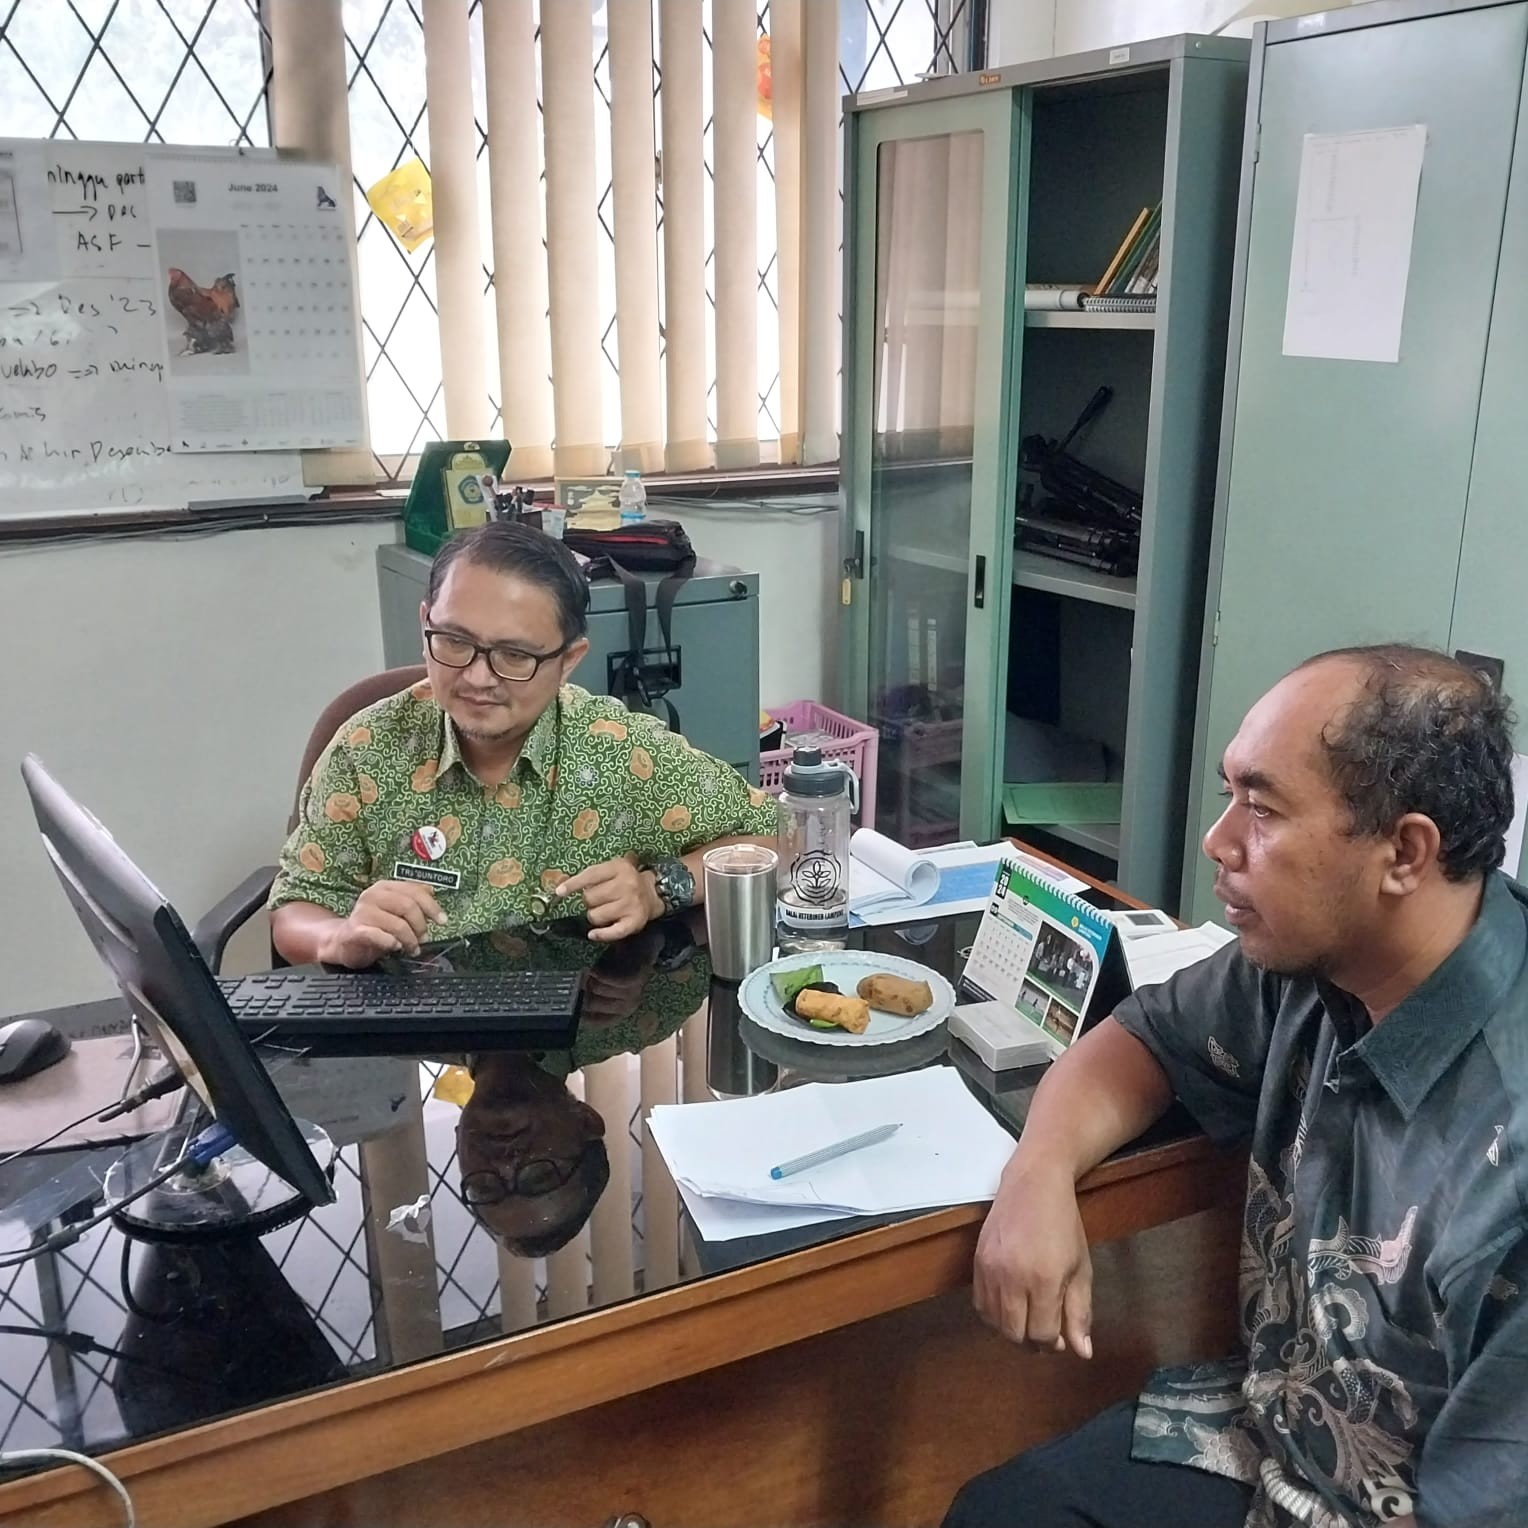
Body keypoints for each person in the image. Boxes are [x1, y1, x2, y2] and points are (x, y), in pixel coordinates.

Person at [947, 645, 1528, 1528]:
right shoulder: (1319, 957)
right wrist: (1039, 1172)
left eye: (1262, 807)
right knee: (998, 1513)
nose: (1219, 841)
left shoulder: (1508, 1157)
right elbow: (1138, 1042)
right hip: (1274, 1430)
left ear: (1405, 851)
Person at [269, 521, 777, 967]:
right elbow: (295, 907)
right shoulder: (367, 748)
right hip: (411, 1044)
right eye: (453, 641)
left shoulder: (620, 752)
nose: (476, 677)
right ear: (426, 620)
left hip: (573, 1036)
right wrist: (337, 936)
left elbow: (780, 837)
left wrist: (657, 889)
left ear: (569, 659)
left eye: (514, 655)